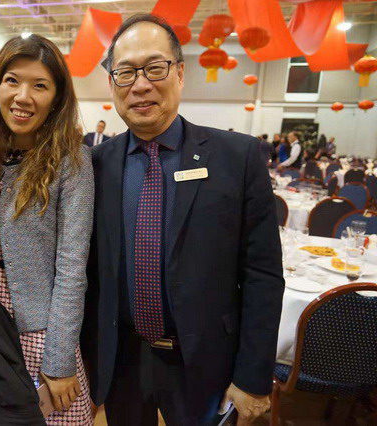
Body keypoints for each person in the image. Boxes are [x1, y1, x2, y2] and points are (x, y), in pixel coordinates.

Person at [82, 14, 284, 426]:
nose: (140, 85)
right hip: (122, 359)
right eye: (125, 72)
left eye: (154, 68)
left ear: (180, 73)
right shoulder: (94, 165)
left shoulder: (238, 158)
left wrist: (253, 375)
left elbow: (263, 275)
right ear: (112, 83)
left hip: (206, 361)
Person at [0, 34, 94, 424]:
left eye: (40, 85)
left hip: (40, 333)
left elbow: (72, 269)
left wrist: (59, 359)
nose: (23, 96)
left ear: (57, 97)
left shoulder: (71, 162)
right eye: (12, 80)